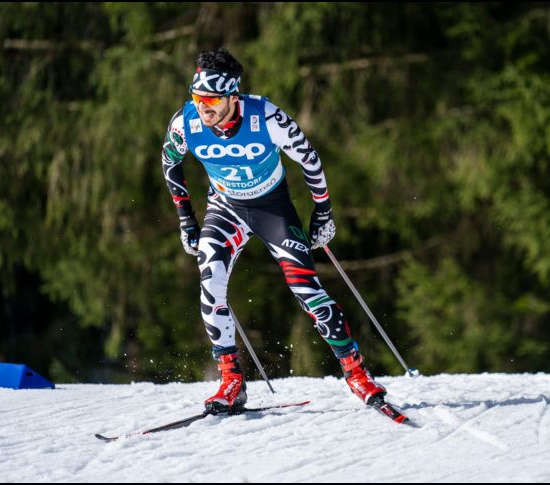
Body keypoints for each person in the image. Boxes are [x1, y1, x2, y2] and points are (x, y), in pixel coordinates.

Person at [161, 47, 387, 413]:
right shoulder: (184, 123)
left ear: (233, 96)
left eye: (213, 100)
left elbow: (309, 159)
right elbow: (170, 162)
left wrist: (323, 213)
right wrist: (187, 219)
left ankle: (357, 374)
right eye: (198, 98)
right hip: (225, 208)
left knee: (306, 289)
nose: (204, 107)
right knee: (210, 282)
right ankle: (231, 381)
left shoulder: (264, 116)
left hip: (272, 208)